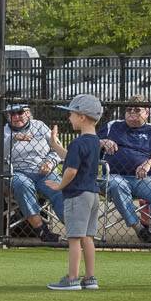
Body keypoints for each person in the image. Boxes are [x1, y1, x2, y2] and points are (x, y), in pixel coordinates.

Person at [44, 94, 103, 290]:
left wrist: (60, 186)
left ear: (82, 117)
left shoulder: (78, 142)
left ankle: (72, 278)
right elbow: (70, 158)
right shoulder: (94, 141)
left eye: (71, 114)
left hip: (77, 194)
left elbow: (71, 170)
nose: (69, 118)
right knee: (87, 237)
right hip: (92, 194)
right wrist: (55, 145)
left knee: (74, 238)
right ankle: (90, 277)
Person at [99, 96, 151, 244]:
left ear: (147, 112)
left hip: (142, 179)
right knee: (116, 184)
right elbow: (89, 141)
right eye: (128, 110)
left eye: (137, 109)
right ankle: (139, 228)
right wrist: (103, 141)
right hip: (114, 176)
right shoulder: (112, 126)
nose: (132, 113)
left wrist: (149, 163)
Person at [3, 103, 63, 243]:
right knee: (22, 184)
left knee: (60, 188)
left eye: (20, 112)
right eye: (12, 114)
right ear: (8, 116)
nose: (16, 116)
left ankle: (73, 229)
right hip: (17, 171)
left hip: (43, 171)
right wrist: (13, 139)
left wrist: (50, 162)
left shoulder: (40, 126)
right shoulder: (4, 132)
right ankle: (42, 230)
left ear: (28, 113)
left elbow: (57, 149)